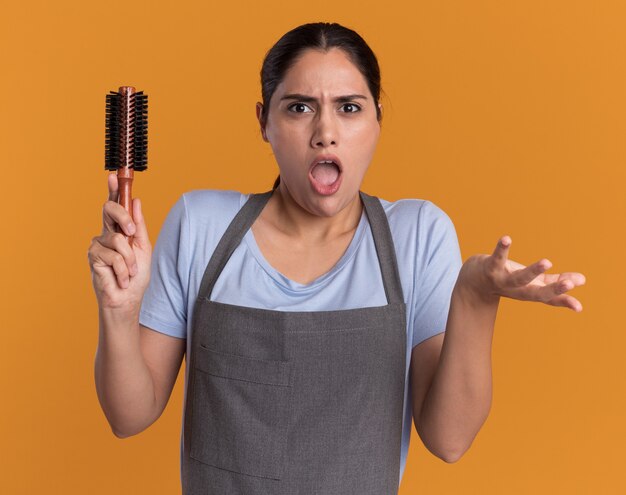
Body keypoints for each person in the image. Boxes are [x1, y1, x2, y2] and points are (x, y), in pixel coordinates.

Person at [88, 22, 586, 495]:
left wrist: (475, 298)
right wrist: (119, 311)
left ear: (377, 120)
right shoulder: (201, 224)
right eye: (300, 108)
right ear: (264, 121)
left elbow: (449, 440)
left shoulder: (417, 235)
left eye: (349, 108)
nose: (325, 131)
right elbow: (128, 416)